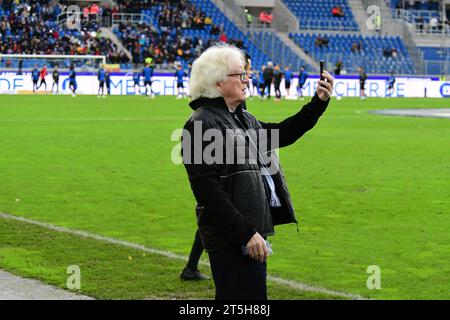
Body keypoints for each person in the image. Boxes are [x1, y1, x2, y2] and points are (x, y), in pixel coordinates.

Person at [181, 43, 333, 300]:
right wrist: (246, 234)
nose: (247, 79)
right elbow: (208, 192)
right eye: (240, 74)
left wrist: (317, 104)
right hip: (233, 238)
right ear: (219, 83)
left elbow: (283, 134)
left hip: (251, 234)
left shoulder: (242, 118)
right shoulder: (200, 124)